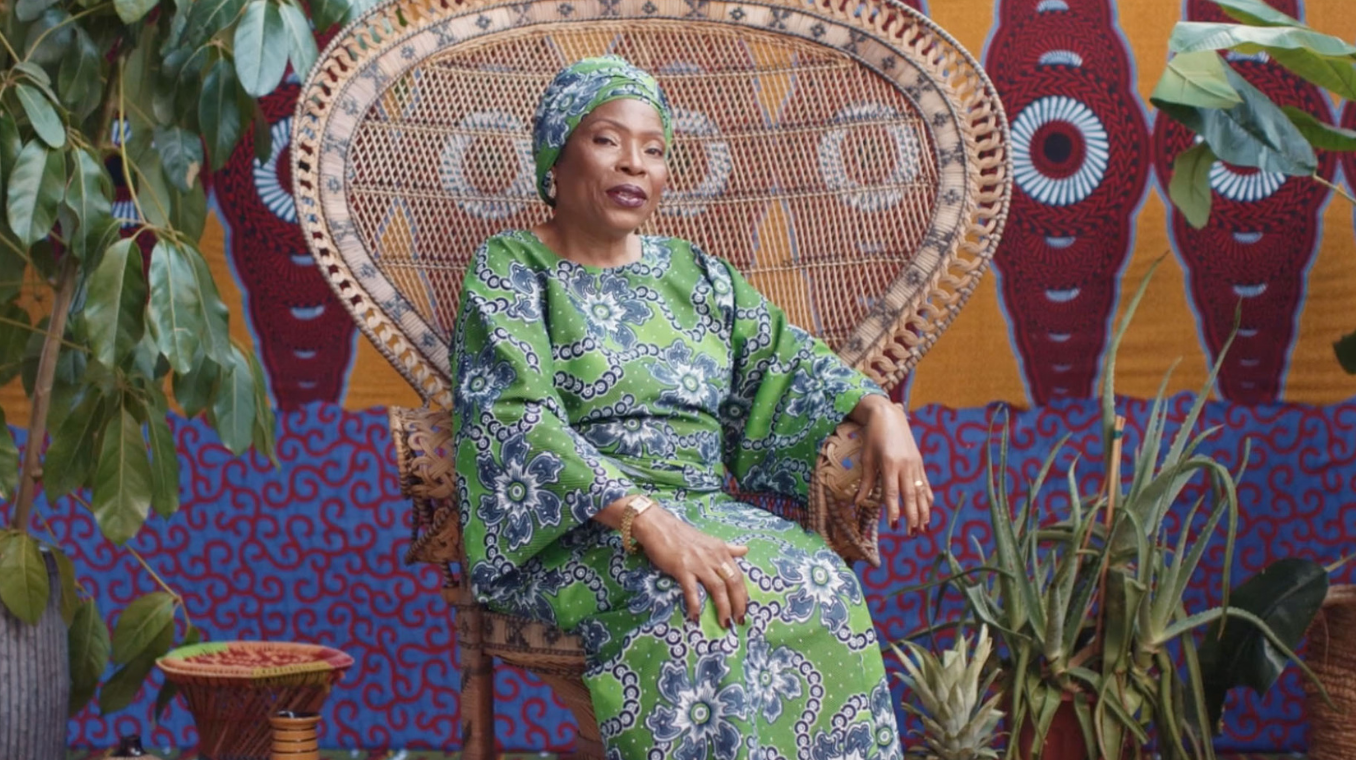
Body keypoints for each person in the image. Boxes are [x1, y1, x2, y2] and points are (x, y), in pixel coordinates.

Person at [450, 55, 934, 759]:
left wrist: (881, 410)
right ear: (556, 155)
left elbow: (785, 359)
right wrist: (643, 518)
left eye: (654, 149)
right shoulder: (510, 266)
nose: (634, 164)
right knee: (693, 604)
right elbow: (514, 416)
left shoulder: (695, 272)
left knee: (821, 581)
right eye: (608, 140)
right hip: (577, 529)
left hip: (705, 508)